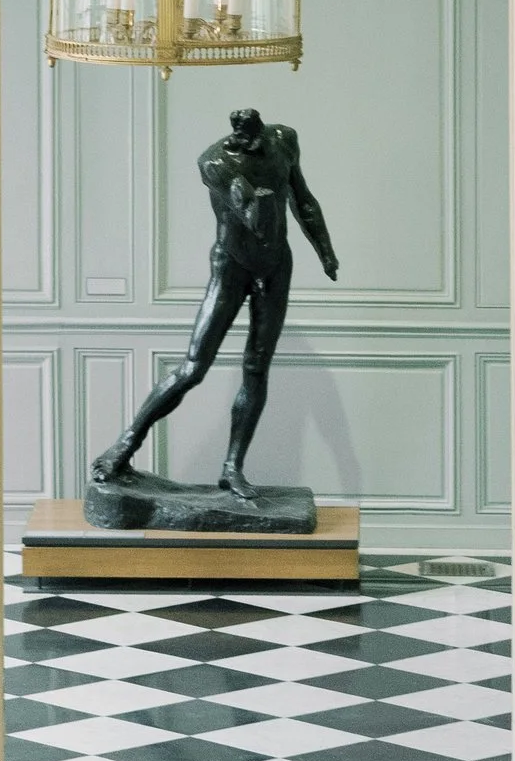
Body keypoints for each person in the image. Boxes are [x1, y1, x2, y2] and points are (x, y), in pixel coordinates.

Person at [87, 105, 339, 503]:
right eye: (241, 141)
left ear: (262, 132)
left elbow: (303, 199)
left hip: (275, 267)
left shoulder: (284, 140)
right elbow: (254, 219)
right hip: (231, 267)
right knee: (193, 368)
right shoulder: (215, 163)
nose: (247, 146)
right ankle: (124, 445)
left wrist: (325, 251)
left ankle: (232, 468)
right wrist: (257, 197)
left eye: (253, 141)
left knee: (257, 369)